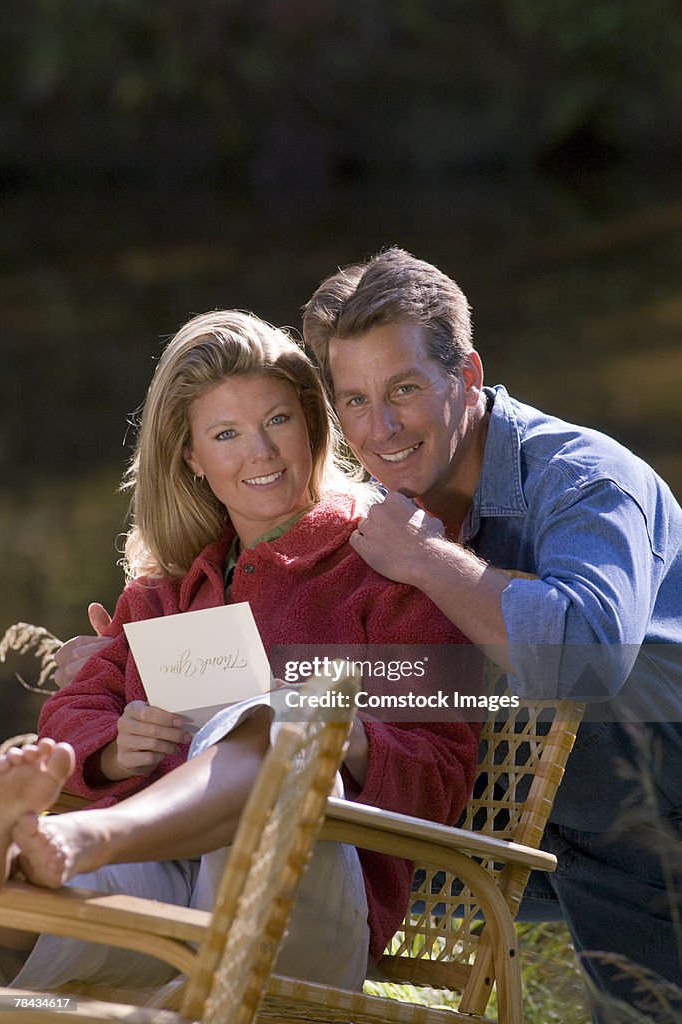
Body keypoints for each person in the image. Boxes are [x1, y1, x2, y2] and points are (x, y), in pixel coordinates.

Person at [0, 309, 480, 993]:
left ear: (312, 422)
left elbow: (442, 769)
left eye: (277, 420)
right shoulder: (166, 590)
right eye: (226, 434)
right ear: (192, 457)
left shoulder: (391, 560)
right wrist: (113, 746)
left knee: (288, 717)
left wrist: (342, 737)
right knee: (35, 912)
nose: (260, 452)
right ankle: (26, 865)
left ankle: (89, 840)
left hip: (300, 901)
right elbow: (76, 707)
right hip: (170, 884)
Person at [300, 247, 682, 1022]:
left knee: (572, 721)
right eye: (354, 401)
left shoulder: (586, 478)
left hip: (649, 783)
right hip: (534, 814)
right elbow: (300, 655)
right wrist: (137, 663)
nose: (379, 430)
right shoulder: (371, 510)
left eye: (403, 390)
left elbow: (583, 661)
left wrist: (426, 561)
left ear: (466, 376)